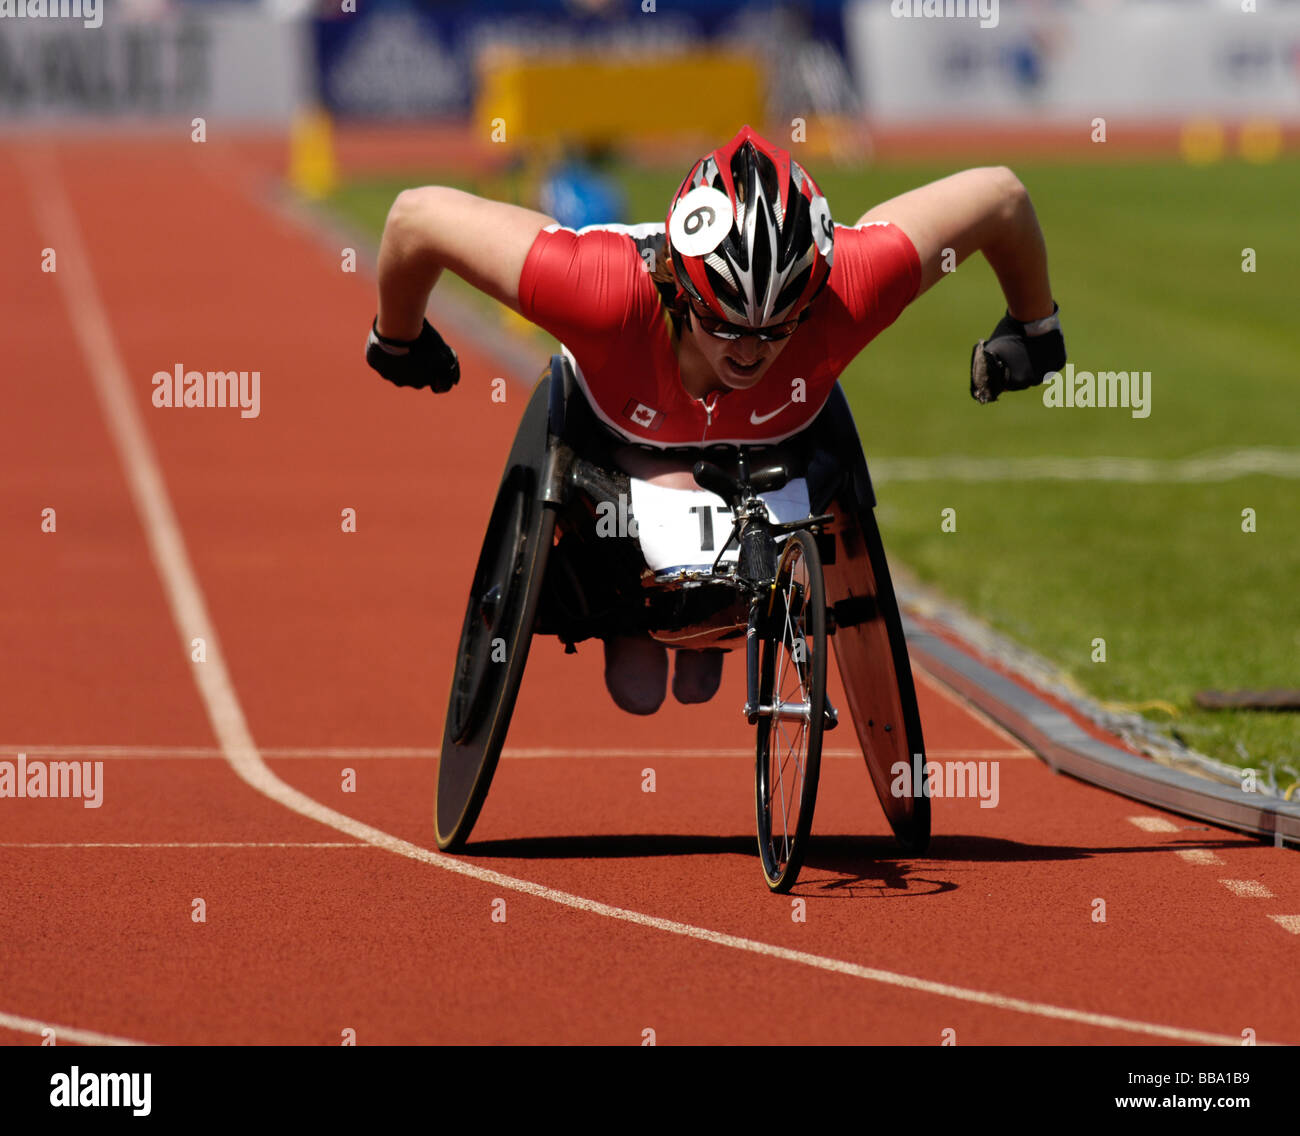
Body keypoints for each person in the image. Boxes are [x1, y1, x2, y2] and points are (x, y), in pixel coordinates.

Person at [366, 125, 1065, 715]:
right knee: (636, 688)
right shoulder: (596, 289)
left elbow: (1001, 194)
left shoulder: (851, 288)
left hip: (772, 450)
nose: (750, 353)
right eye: (726, 326)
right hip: (619, 443)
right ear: (679, 288)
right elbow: (415, 216)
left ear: (812, 299)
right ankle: (631, 613)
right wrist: (397, 337)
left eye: (776, 330)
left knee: (699, 672)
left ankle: (709, 617)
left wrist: (1036, 328)